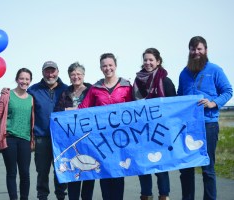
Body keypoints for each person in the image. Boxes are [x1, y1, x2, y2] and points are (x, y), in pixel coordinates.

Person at [178, 36, 233, 200]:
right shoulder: (183, 73)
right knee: (186, 168)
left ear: (206, 50)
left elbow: (228, 91)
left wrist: (213, 103)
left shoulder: (215, 70)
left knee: (207, 169)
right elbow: (180, 96)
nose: (196, 52)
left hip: (208, 125)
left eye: (199, 49)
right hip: (188, 127)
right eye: (193, 49)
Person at [78, 53, 132, 200]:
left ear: (115, 66)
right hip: (102, 140)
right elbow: (83, 109)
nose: (107, 68)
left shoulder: (127, 86)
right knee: (105, 173)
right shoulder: (95, 88)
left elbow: (136, 109)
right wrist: (65, 115)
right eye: (104, 66)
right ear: (101, 68)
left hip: (120, 139)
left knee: (118, 173)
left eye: (110, 65)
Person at [0, 68, 35, 200]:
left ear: (30, 81)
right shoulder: (7, 95)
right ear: (17, 79)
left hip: (25, 139)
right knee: (11, 173)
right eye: (22, 78)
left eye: (27, 79)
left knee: (25, 173)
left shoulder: (31, 99)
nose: (24, 81)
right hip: (9, 139)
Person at [133, 48, 176, 200]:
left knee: (161, 166)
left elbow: (173, 106)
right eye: (145, 60)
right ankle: (146, 195)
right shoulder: (137, 81)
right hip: (142, 131)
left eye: (151, 60)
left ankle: (164, 195)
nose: (148, 63)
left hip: (161, 131)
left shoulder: (165, 81)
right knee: (143, 165)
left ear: (158, 61)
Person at [27, 61, 68, 200]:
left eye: (53, 71)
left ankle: (61, 197)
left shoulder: (66, 89)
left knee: (61, 172)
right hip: (41, 138)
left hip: (61, 140)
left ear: (58, 71)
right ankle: (42, 197)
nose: (50, 74)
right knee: (42, 172)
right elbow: (21, 101)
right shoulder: (33, 90)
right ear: (43, 72)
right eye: (47, 71)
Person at [54, 62, 95, 200]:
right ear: (69, 76)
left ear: (83, 75)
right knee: (74, 171)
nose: (76, 77)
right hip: (71, 138)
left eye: (78, 74)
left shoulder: (92, 90)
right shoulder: (65, 93)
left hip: (89, 137)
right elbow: (58, 112)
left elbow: (96, 110)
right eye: (73, 74)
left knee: (89, 171)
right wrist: (69, 111)